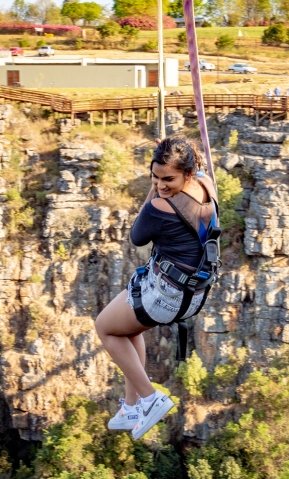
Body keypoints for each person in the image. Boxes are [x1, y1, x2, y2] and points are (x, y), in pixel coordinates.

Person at [95, 137, 220, 440]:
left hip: (166, 295)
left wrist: (153, 192)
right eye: (155, 177)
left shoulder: (161, 206)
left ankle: (151, 399)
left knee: (106, 328)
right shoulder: (206, 184)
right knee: (129, 329)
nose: (161, 185)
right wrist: (175, 164)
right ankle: (131, 407)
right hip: (193, 292)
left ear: (187, 174)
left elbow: (137, 236)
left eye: (168, 179)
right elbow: (193, 169)